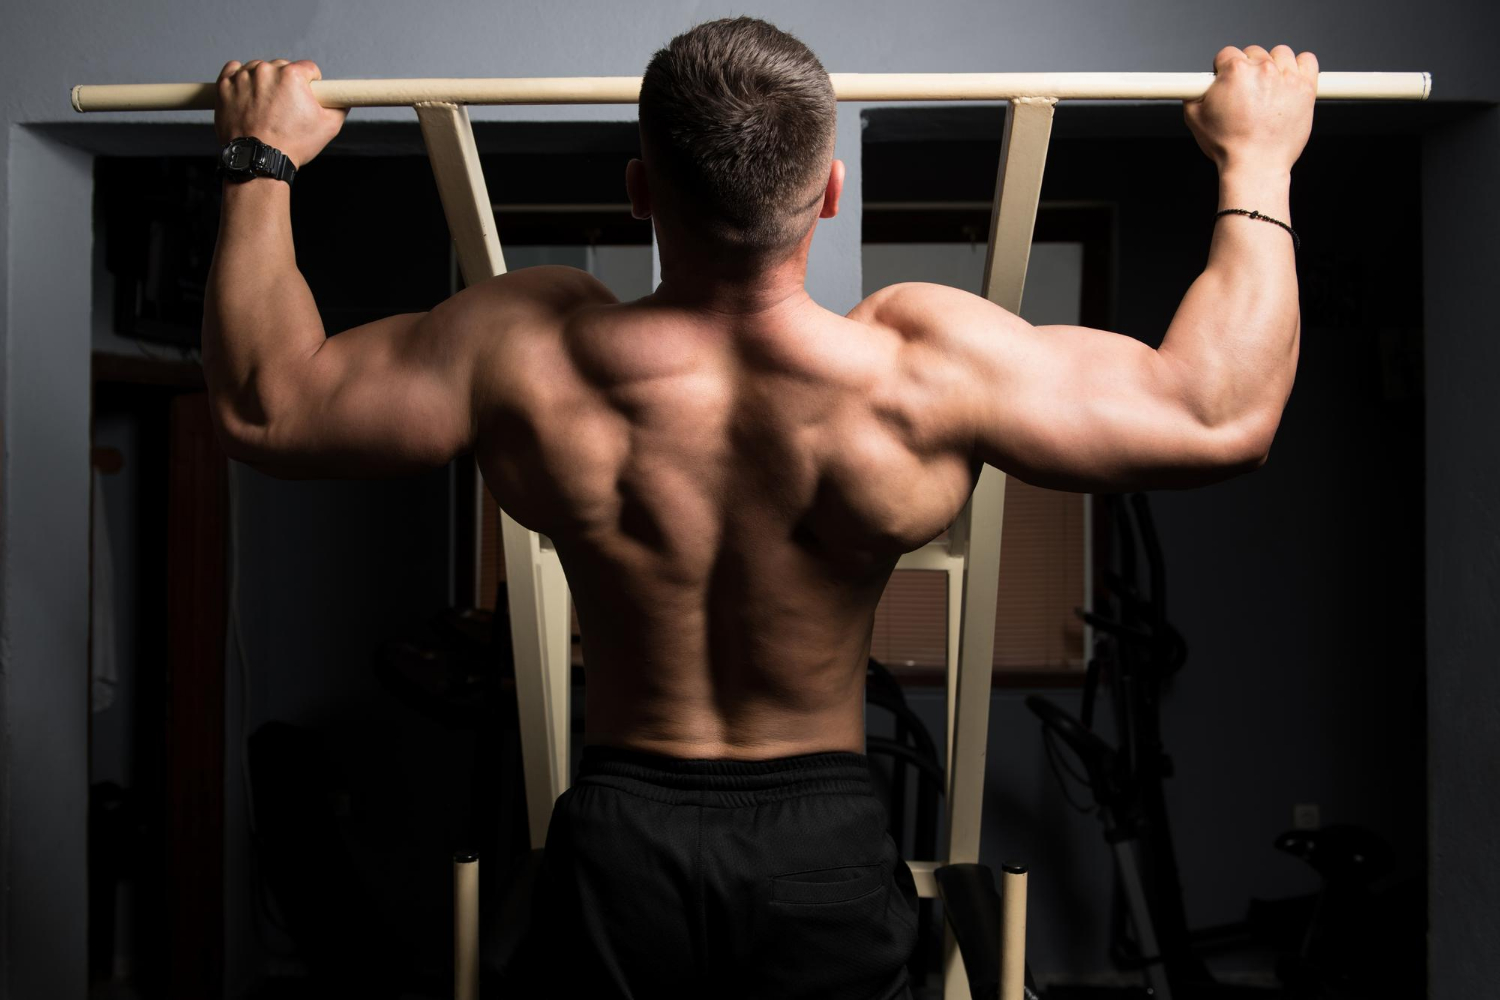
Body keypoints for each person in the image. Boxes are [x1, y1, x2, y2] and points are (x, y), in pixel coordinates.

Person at [204, 17, 1317, 999]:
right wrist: (1257, 159)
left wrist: (261, 161)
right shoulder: (916, 369)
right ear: (829, 190)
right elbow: (1221, 416)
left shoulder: (531, 348)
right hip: (820, 842)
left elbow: (268, 405)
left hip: (619, 834)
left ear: (640, 191)